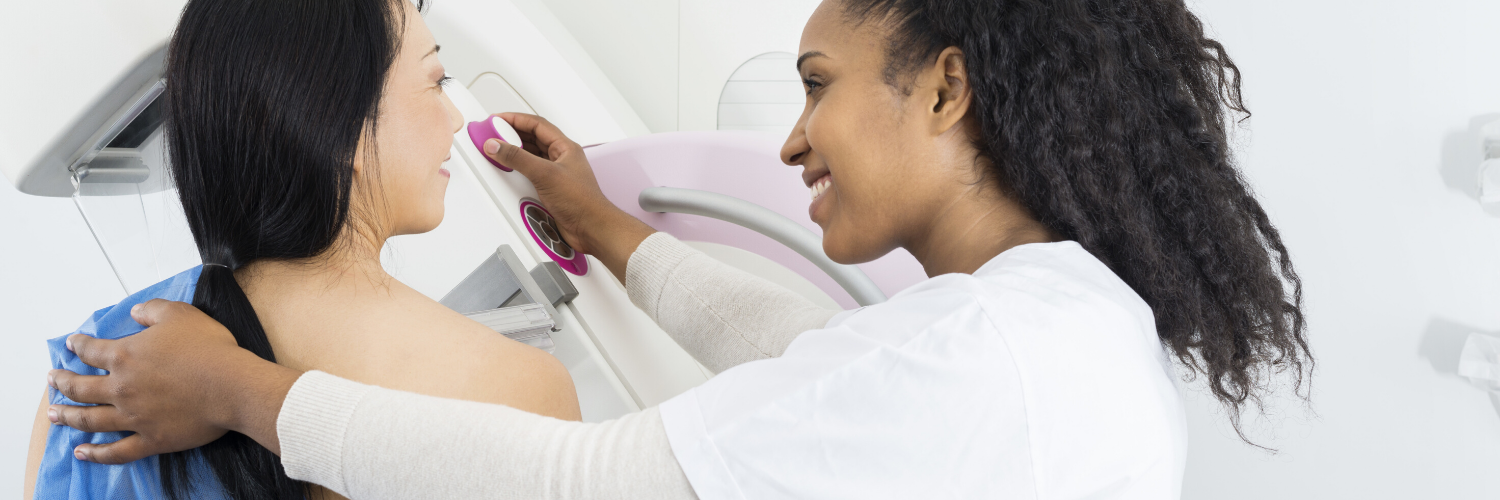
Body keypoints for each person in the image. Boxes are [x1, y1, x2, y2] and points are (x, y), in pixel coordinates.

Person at [44, 0, 1315, 498]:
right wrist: (608, 228)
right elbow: (820, 356)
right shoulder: (1054, 324)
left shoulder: (120, 349)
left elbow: (587, 474)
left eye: (816, 86)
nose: (792, 139)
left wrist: (241, 394)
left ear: (946, 90)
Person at [24, 0, 579, 498]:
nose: (455, 117)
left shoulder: (93, 372)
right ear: (342, 129)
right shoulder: (516, 389)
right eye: (437, 79)